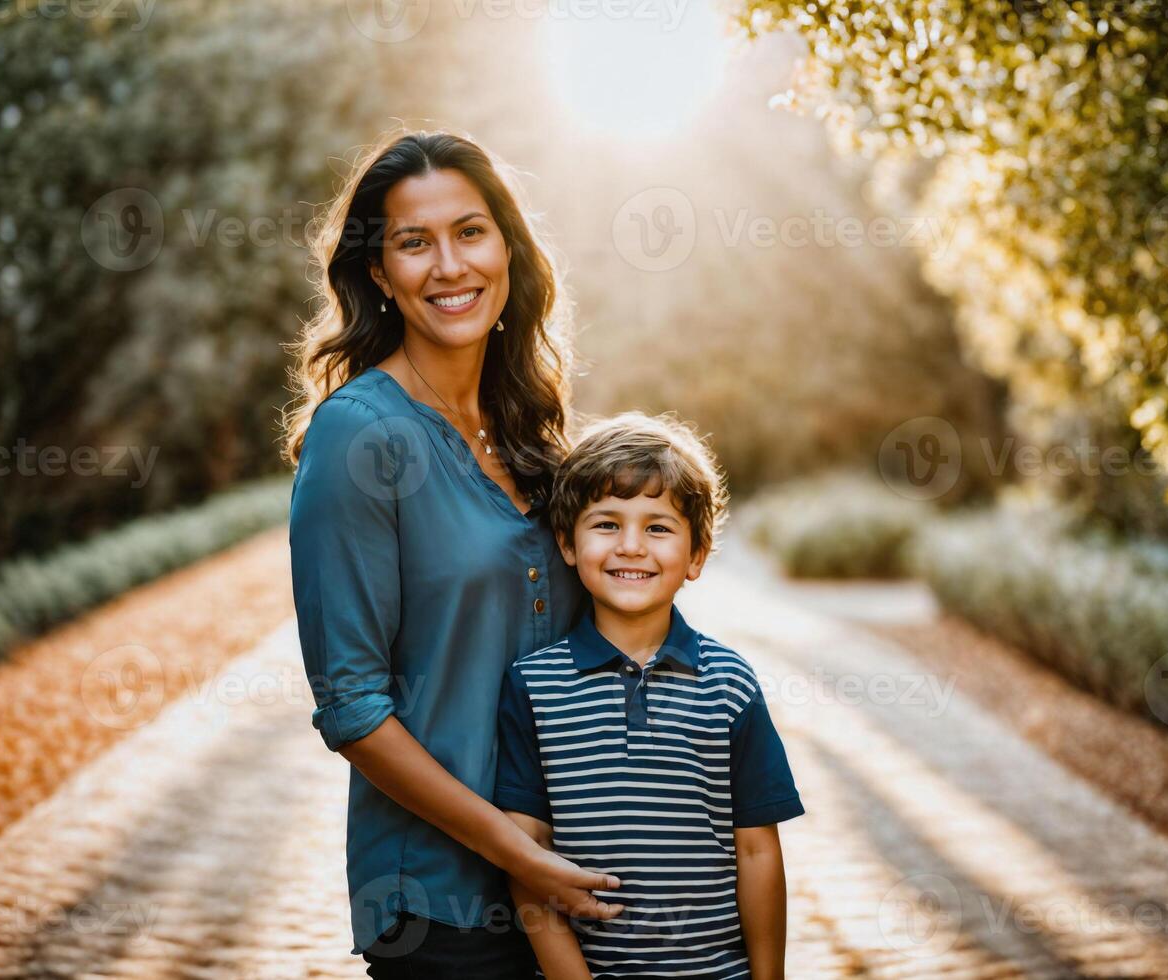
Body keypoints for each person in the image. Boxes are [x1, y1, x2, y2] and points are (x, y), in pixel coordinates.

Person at [282, 128, 624, 978]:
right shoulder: (357, 439)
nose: (448, 265)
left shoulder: (533, 430)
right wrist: (516, 853)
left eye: (469, 231)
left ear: (507, 246)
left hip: (579, 883)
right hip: (443, 907)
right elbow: (352, 708)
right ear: (377, 273)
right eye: (412, 242)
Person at [495, 411, 805, 979]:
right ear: (567, 543)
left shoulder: (730, 682)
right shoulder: (532, 686)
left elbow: (758, 851)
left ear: (696, 555)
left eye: (658, 527)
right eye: (606, 524)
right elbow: (526, 857)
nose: (631, 546)